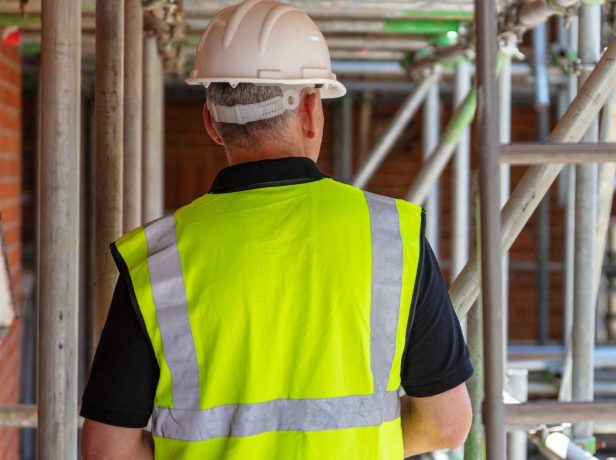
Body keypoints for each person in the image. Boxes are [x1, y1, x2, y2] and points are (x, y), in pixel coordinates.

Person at [79, 1, 472, 458]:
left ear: (212, 122)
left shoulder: (158, 259)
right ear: (310, 109)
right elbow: (447, 425)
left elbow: (107, 448)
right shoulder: (391, 236)